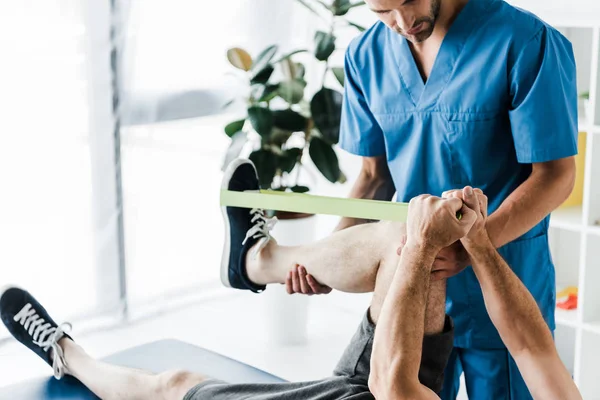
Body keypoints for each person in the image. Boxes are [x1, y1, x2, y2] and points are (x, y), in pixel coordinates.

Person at [1, 159, 581, 399]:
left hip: (393, 390)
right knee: (398, 243)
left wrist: (430, 241)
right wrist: (473, 238)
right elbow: (531, 345)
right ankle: (259, 261)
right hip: (400, 390)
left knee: (175, 384)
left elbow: (392, 382)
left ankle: (65, 352)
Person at [283, 0, 579, 397]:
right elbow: (374, 176)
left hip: (501, 279)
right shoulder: (364, 56)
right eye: (381, 12)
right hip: (412, 283)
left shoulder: (525, 42)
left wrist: (474, 247)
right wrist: (328, 255)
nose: (402, 23)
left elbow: (556, 176)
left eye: (408, 2)